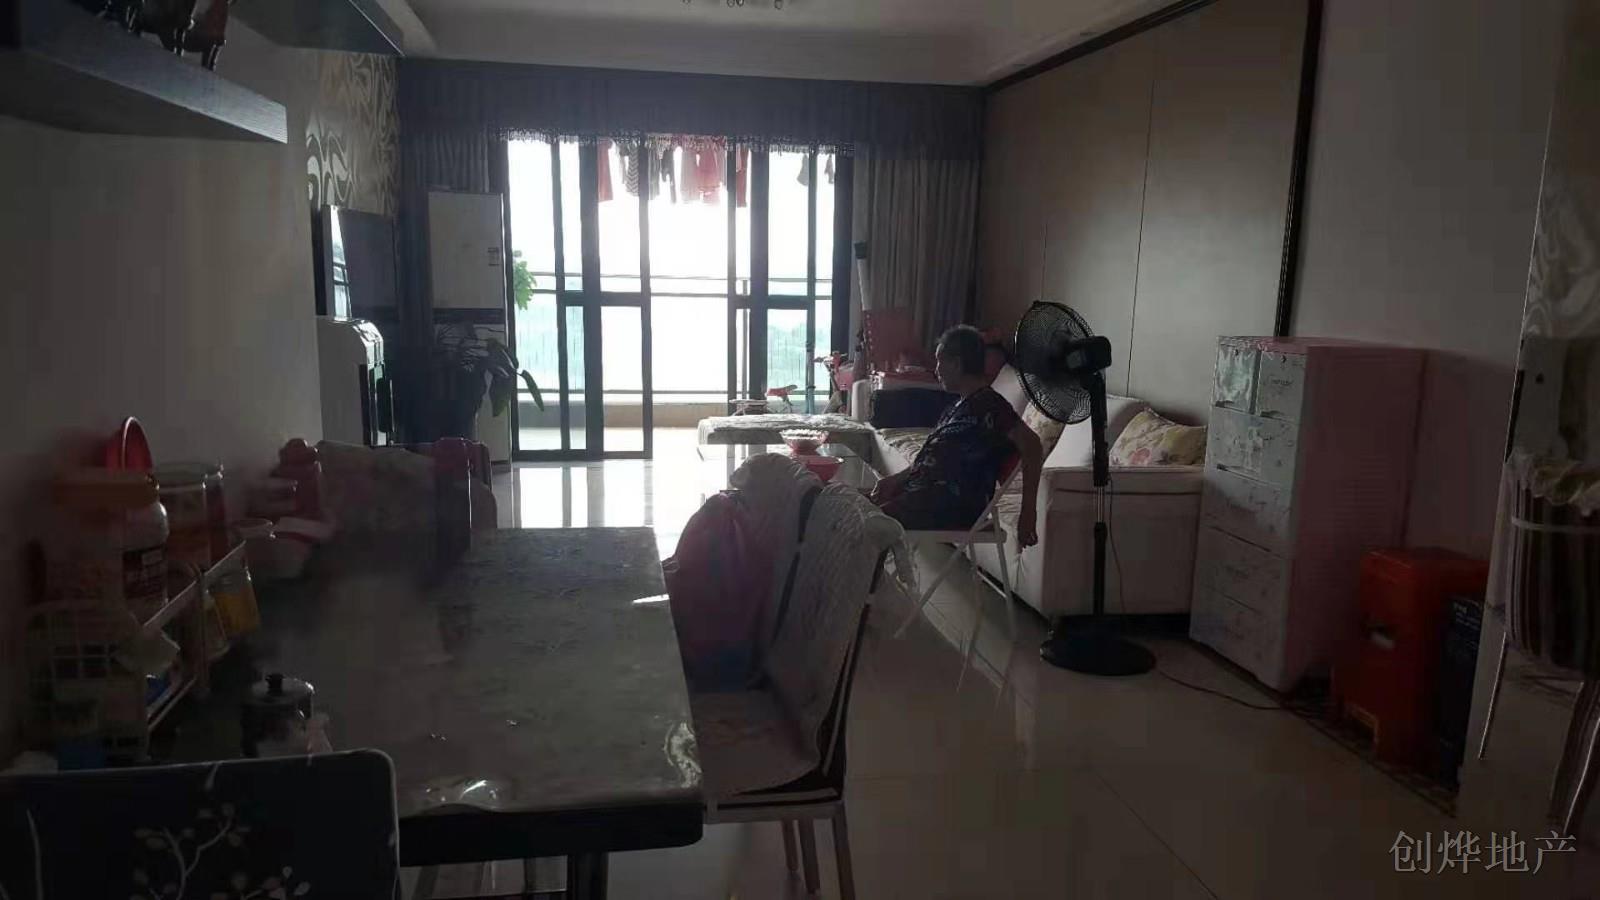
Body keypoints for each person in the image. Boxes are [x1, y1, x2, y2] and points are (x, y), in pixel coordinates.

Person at [869, 325, 1041, 547]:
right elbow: (930, 460)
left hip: (952, 506)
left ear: (957, 364)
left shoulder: (991, 405)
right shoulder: (956, 407)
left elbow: (1033, 446)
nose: (936, 370)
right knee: (849, 502)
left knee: (864, 520)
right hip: (922, 495)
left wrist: (1028, 512)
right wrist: (895, 480)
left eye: (940, 362)